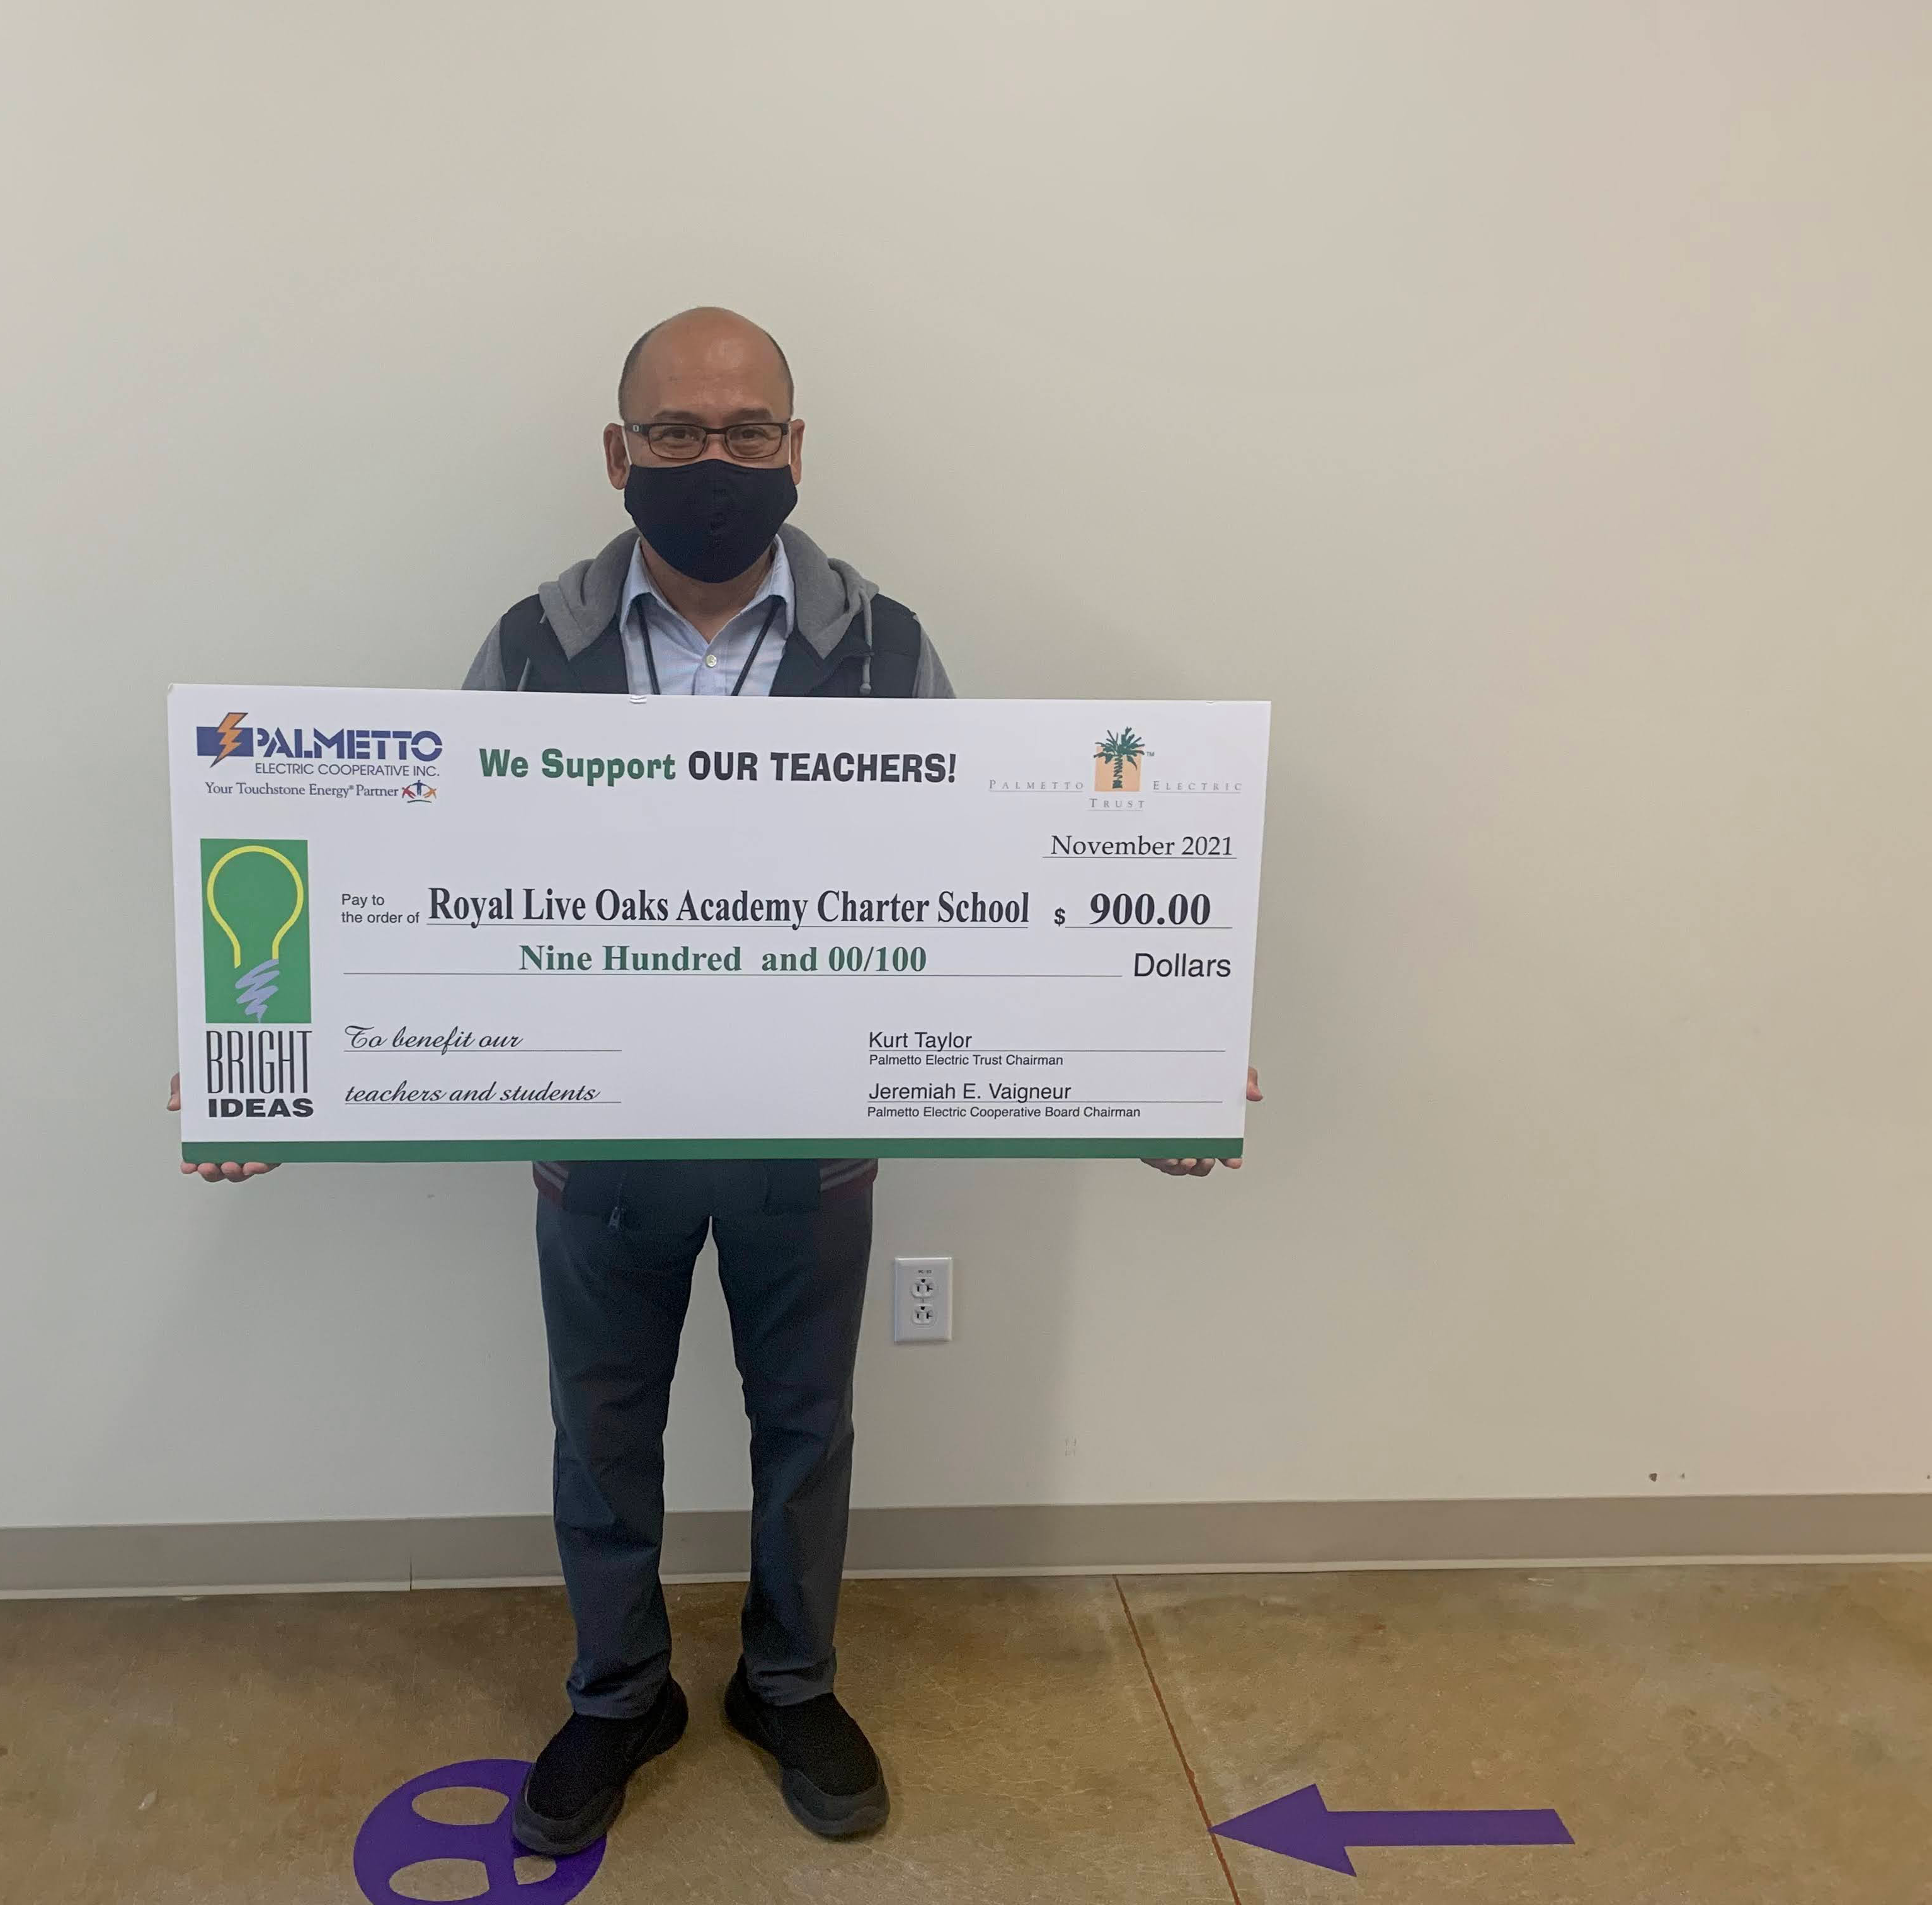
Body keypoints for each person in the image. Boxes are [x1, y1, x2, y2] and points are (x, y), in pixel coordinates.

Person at [169, 307, 1262, 1853]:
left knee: (807, 1427)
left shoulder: (887, 651)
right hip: (595, 1146)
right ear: (618, 455)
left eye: (748, 432)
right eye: (677, 433)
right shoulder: (532, 649)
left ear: (796, 449)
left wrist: (1153, 1071)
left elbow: (991, 890)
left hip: (807, 1148)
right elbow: (417, 881)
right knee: (601, 1432)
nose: (715, 460)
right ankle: (620, 1695)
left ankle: (789, 1682)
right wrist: (267, 1077)